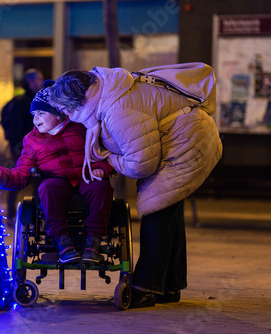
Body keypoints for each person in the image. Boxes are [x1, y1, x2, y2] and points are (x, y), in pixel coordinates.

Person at [48, 66, 222, 307]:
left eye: (64, 108)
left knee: (156, 208)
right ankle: (168, 286)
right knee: (169, 211)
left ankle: (146, 288)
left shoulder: (117, 110)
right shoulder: (107, 89)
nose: (64, 114)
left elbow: (142, 165)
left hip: (186, 142)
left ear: (77, 102)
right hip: (186, 135)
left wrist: (108, 157)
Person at [0, 81, 114, 264]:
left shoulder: (82, 128)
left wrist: (102, 169)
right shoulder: (32, 140)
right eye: (34, 114)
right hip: (56, 179)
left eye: (41, 113)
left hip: (87, 176)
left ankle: (93, 241)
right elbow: (20, 175)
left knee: (102, 188)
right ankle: (62, 242)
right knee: (47, 188)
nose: (36, 119)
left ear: (59, 114)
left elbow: (106, 154)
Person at [0, 68, 44, 227]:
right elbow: (12, 123)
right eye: (38, 79)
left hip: (34, 147)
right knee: (17, 178)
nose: (41, 82)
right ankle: (12, 215)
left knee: (36, 181)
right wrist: (15, 143)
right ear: (29, 82)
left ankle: (33, 214)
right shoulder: (22, 102)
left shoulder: (36, 99)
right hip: (22, 147)